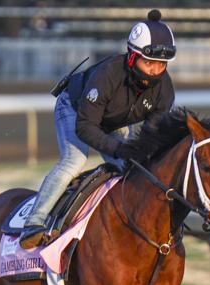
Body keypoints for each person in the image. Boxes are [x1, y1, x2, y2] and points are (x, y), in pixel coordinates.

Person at [18, 9, 177, 250]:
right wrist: (119, 148)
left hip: (113, 122)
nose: (156, 71)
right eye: (149, 63)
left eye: (161, 64)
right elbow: (85, 127)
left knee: (135, 169)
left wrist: (134, 152)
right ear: (132, 57)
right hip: (75, 110)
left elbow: (151, 134)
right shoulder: (108, 75)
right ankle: (33, 223)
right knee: (74, 161)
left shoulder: (164, 89)